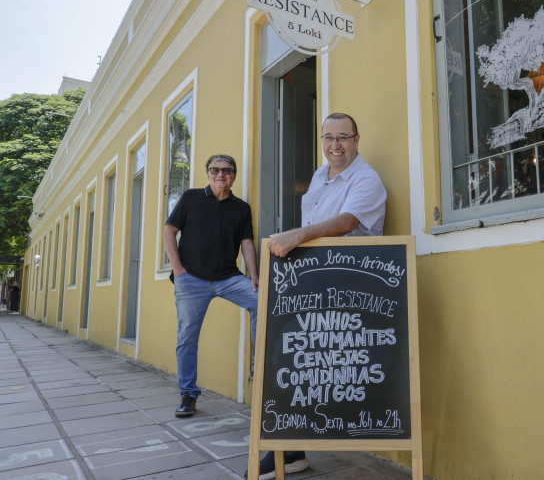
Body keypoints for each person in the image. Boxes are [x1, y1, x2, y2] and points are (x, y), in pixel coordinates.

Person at [248, 113, 386, 479]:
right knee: (289, 353)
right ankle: (290, 448)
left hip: (353, 290)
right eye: (328, 137)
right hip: (315, 284)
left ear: (357, 140)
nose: (335, 145)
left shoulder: (366, 179)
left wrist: (295, 235)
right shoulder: (318, 176)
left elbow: (346, 222)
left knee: (316, 361)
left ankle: (292, 446)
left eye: (343, 137)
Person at [163, 154, 259, 418]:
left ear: (234, 175)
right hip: (191, 279)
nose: (221, 175)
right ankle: (188, 394)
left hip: (229, 278)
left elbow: (247, 243)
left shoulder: (241, 208)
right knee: (187, 337)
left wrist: (254, 276)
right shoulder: (191, 198)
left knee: (262, 301)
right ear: (207, 173)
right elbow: (169, 231)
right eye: (215, 170)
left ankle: (259, 369)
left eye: (227, 171)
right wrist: (179, 270)